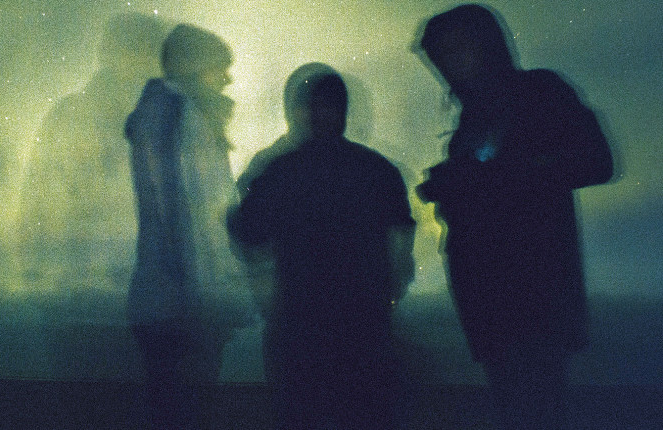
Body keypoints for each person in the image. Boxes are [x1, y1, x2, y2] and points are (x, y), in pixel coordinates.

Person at [414, 5, 614, 429]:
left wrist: (489, 177)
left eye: (456, 50)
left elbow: (596, 161)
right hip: (495, 302)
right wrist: (457, 189)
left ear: (485, 45)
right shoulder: (477, 117)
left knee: (532, 408)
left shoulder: (540, 93)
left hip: (533, 297)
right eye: (441, 56)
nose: (448, 66)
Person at [229, 65, 415, 429]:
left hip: (299, 330)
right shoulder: (378, 170)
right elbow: (401, 245)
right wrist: (389, 295)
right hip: (365, 331)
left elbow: (247, 231)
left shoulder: (279, 171)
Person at [125, 24, 256, 430]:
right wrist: (200, 304)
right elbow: (185, 219)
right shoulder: (178, 115)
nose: (227, 78)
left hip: (174, 300)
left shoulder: (178, 113)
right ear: (194, 66)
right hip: (183, 304)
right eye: (220, 67)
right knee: (187, 411)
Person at [21, 13, 169, 299]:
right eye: (141, 51)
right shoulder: (72, 117)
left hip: (132, 287)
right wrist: (39, 276)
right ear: (112, 55)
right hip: (78, 286)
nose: (151, 64)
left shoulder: (154, 118)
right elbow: (39, 205)